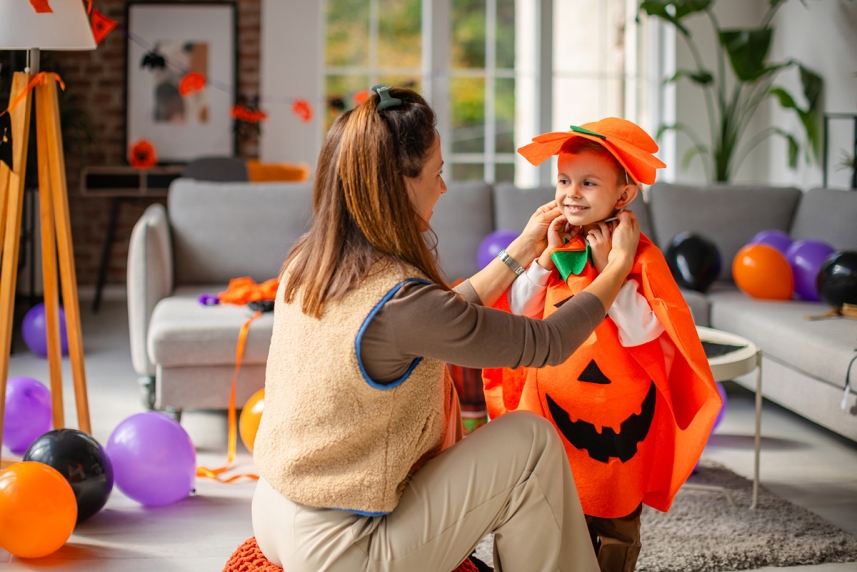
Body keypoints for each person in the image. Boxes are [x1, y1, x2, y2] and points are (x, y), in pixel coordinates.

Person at [250, 87, 642, 572]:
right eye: (437, 173)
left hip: (276, 510)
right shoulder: (402, 300)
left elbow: (440, 317)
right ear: (400, 184)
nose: (443, 188)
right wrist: (617, 267)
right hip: (342, 550)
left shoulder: (311, 262)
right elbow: (549, 342)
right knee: (531, 441)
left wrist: (523, 248)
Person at [483, 118, 722, 572]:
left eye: (588, 183)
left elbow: (643, 332)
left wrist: (611, 267)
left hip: (617, 417)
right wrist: (544, 262)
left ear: (624, 195)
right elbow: (521, 315)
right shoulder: (556, 245)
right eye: (563, 181)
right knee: (536, 509)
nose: (571, 193)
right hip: (552, 408)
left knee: (614, 517)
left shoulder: (638, 257)